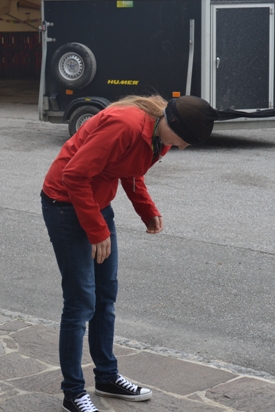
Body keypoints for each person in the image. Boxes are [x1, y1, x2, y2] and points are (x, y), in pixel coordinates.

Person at [41, 94, 217, 412]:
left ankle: (106, 377)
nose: (182, 147)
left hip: (97, 203)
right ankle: (73, 392)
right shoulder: (126, 125)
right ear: (174, 124)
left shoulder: (159, 135)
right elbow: (75, 175)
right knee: (80, 302)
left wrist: (146, 210)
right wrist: (97, 230)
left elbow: (130, 169)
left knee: (105, 296)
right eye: (185, 141)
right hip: (65, 205)